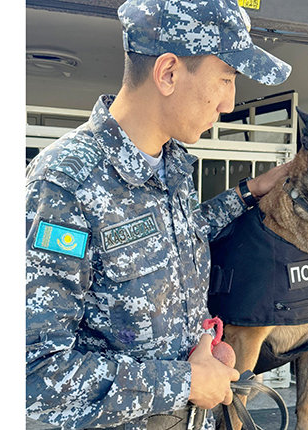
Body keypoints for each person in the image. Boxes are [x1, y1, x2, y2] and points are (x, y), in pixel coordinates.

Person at [25, 1, 292, 429]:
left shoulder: (173, 167)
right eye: (226, 78)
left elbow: (174, 239)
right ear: (168, 73)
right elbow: (32, 375)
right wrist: (185, 381)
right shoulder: (65, 184)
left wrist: (246, 193)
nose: (229, 103)